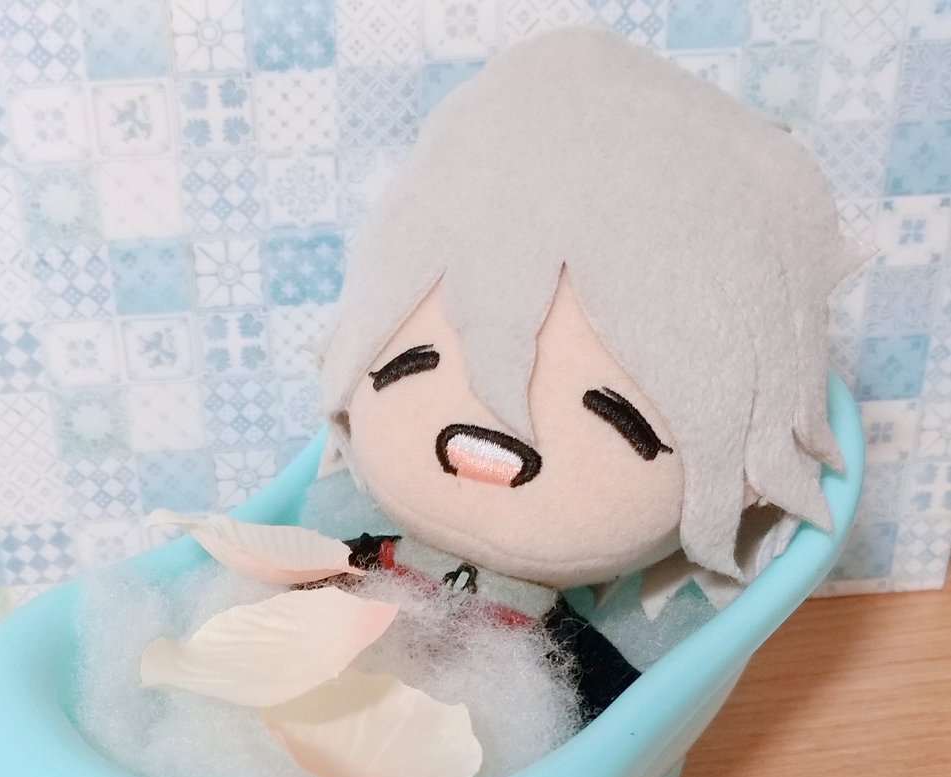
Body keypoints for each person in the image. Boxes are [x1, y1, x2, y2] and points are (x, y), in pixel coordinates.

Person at [316, 28, 859, 719]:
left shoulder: (557, 643)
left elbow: (617, 708)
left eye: (620, 417)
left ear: (748, 481)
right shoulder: (368, 558)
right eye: (412, 363)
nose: (495, 438)